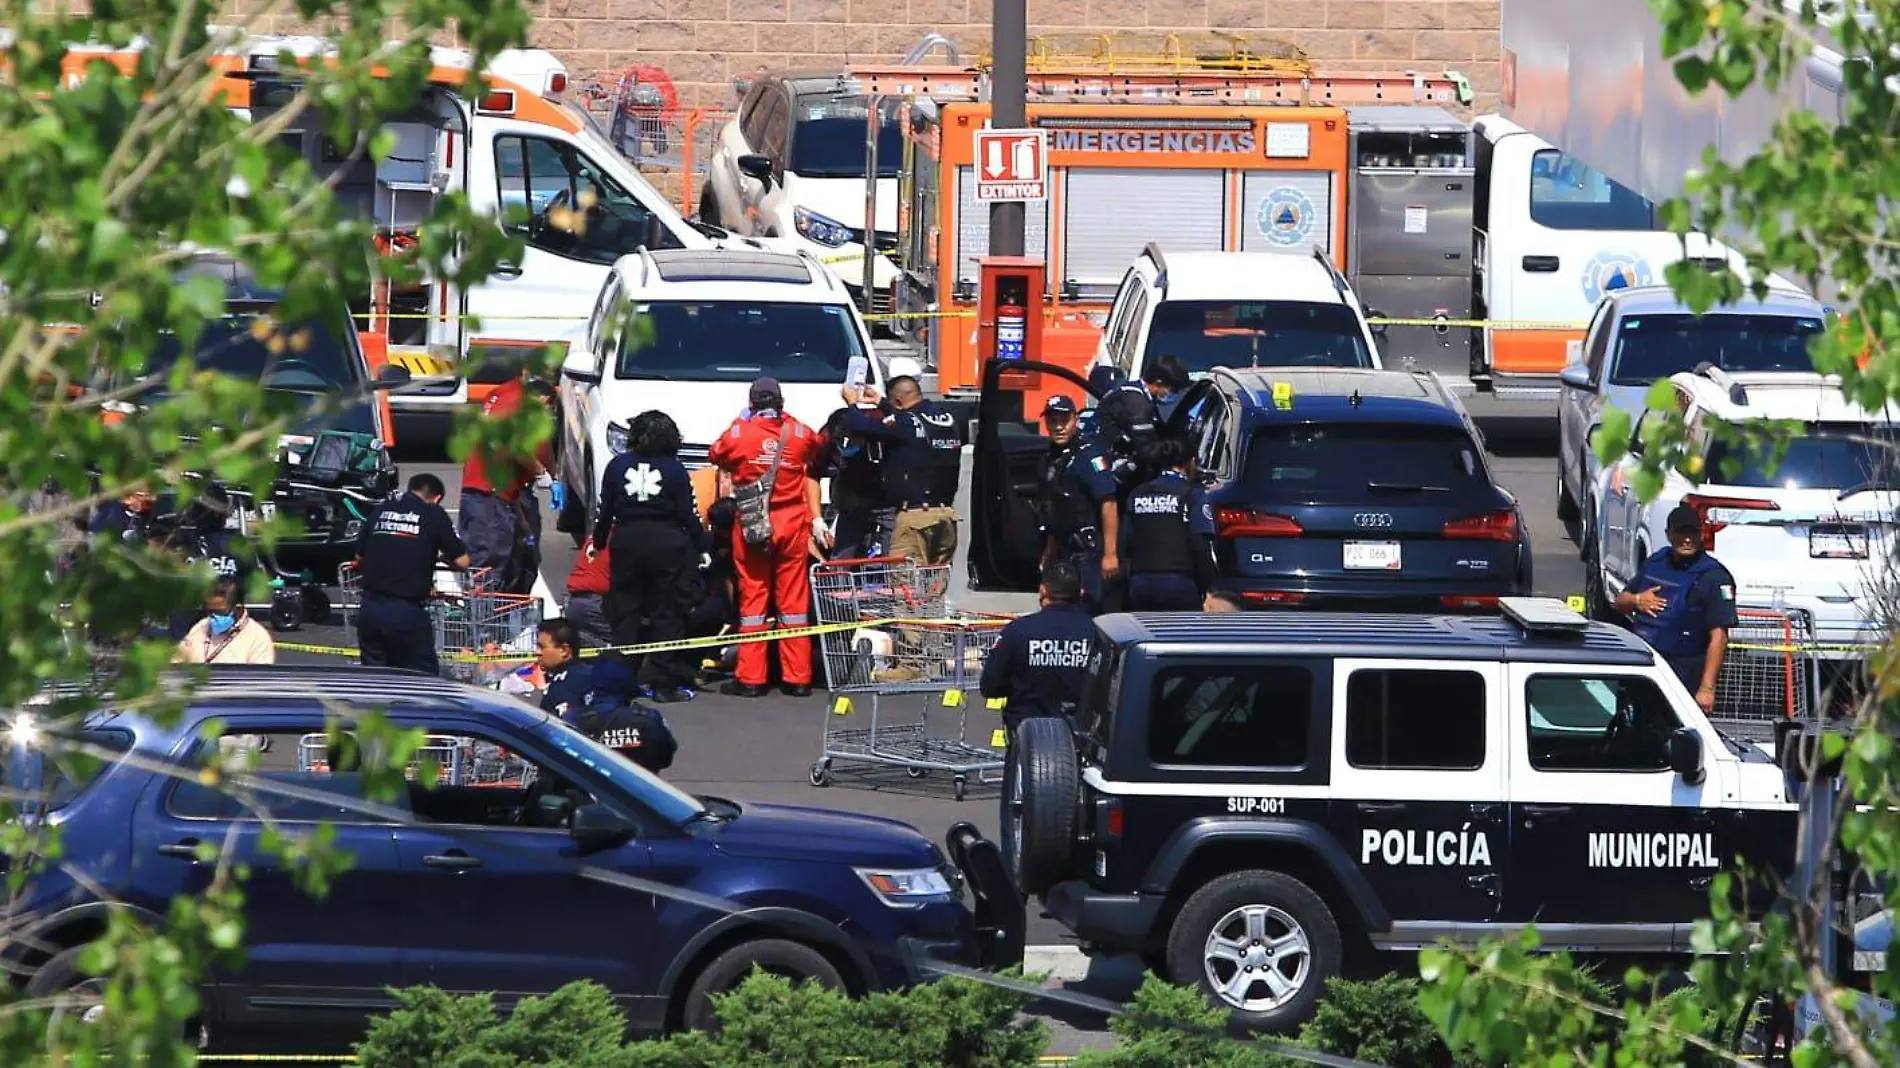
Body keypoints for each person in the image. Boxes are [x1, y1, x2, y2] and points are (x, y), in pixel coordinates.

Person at [709, 376, 829, 698]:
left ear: (751, 405)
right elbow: (818, 445)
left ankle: (751, 678)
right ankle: (798, 678)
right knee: (794, 604)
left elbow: (716, 454)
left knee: (753, 601)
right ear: (781, 403)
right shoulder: (799, 433)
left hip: (753, 524)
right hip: (792, 523)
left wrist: (741, 420)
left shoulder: (740, 434)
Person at [593, 410, 704, 703]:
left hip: (627, 540)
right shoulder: (676, 469)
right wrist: (702, 545)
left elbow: (605, 510)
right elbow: (687, 513)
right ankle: (663, 683)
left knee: (625, 611)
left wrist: (599, 540)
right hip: (667, 543)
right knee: (666, 613)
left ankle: (622, 678)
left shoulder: (617, 466)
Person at [1616, 504, 1738, 713]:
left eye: (1692, 533)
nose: (1687, 539)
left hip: (1685, 672)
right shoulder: (1656, 562)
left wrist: (1707, 688)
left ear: (1700, 535)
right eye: (1681, 532)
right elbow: (1619, 603)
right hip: (1644, 667)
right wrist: (1637, 600)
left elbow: (1719, 637)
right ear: (1668, 534)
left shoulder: (1715, 577)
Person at [839, 376, 963, 566]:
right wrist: (881, 402)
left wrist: (852, 404)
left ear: (898, 401)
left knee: (906, 585)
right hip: (946, 517)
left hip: (915, 519)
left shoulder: (904, 423)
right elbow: (908, 422)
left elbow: (861, 426)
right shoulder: (946, 419)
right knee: (934, 586)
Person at [355, 473, 471, 675]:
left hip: (370, 609)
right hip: (405, 612)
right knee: (420, 677)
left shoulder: (381, 510)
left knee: (375, 679)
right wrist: (438, 558)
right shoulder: (433, 514)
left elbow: (359, 557)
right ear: (437, 499)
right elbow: (463, 561)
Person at [535, 620, 677, 774]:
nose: (536, 652)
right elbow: (665, 755)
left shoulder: (573, 707)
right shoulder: (649, 720)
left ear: (564, 650)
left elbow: (551, 738)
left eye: (541, 646)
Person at [459, 372, 556, 595]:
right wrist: (540, 471)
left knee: (506, 557)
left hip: (499, 495)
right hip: (488, 496)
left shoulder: (504, 398)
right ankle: (481, 621)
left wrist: (522, 523)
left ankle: (494, 615)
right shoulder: (516, 406)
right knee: (488, 563)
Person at [980, 561, 1096, 730]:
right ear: (1080, 593)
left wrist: (1020, 685)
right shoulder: (1096, 633)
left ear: (1043, 590)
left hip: (1028, 737)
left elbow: (990, 685)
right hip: (1077, 738)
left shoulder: (1018, 631)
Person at [1037, 395, 1119, 611]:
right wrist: (1050, 547)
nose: (1058, 427)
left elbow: (1108, 503)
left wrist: (1111, 553)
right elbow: (1054, 507)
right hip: (1064, 549)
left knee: (1089, 608)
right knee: (1062, 608)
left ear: (1075, 419)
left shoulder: (1088, 454)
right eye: (1052, 421)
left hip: (1089, 552)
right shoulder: (1051, 457)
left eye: (1064, 420)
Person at [1121, 437, 1217, 611]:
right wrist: (1208, 587)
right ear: (1191, 462)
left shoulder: (1138, 493)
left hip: (1140, 583)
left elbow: (1126, 542)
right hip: (1180, 584)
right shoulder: (1192, 494)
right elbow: (1200, 546)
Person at [819, 403, 893, 560]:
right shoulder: (825, 438)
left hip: (886, 499)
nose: (846, 446)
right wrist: (817, 520)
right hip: (850, 500)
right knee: (841, 560)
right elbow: (811, 476)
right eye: (841, 442)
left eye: (852, 442)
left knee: (894, 556)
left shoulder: (882, 434)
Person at [175, 577, 276, 664]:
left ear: (238, 607)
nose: (214, 617)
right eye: (211, 612)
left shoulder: (258, 638)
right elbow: (176, 664)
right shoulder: (200, 628)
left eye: (220, 612)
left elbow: (258, 681)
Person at [564, 535, 614, 649]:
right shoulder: (622, 536)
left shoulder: (598, 534)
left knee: (583, 645)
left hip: (575, 600)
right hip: (596, 603)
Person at [90, 489, 155, 546]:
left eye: (145, 498)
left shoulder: (148, 521)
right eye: (139, 496)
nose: (141, 499)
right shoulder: (112, 504)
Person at [1143, 355, 1193, 423]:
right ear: (1158, 383)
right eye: (1174, 390)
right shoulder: (1137, 402)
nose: (1176, 394)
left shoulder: (1150, 402)